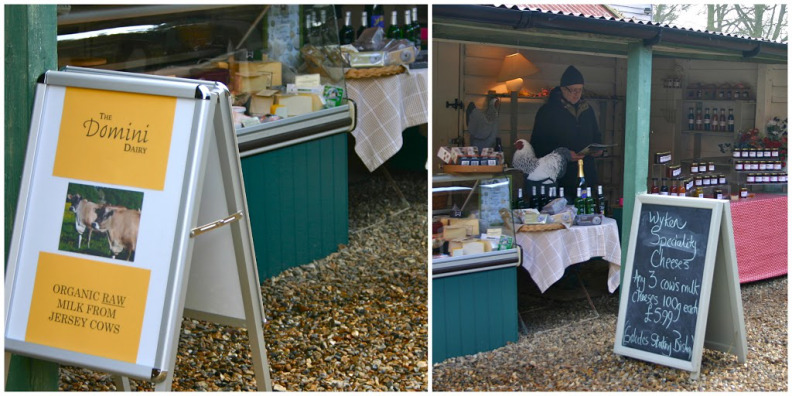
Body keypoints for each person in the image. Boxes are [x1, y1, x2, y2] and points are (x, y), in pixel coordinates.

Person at [530, 65, 603, 202]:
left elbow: (596, 135)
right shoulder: (547, 112)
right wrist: (564, 154)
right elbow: (538, 145)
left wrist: (598, 150)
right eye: (572, 90)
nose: (576, 94)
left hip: (585, 177)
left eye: (580, 90)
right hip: (559, 180)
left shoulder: (588, 110)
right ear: (563, 89)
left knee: (586, 215)